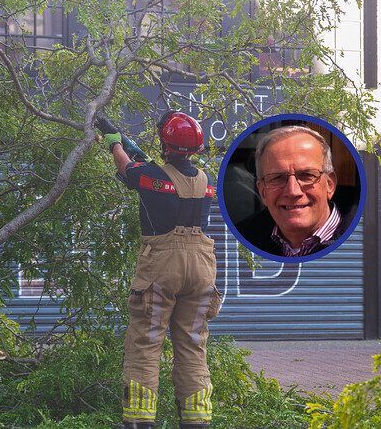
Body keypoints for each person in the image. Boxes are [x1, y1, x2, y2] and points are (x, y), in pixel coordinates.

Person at [99, 111, 221, 428]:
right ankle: (197, 420)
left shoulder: (152, 177)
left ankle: (139, 421)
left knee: (146, 344)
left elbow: (129, 169)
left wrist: (114, 142)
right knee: (193, 346)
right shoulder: (206, 182)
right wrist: (126, 141)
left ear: (165, 144)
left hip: (163, 267)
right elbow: (156, 172)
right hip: (201, 269)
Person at [237, 125, 353, 257]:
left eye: (306, 175)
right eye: (278, 178)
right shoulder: (240, 242)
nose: (292, 191)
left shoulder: (365, 237)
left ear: (329, 184)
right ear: (263, 192)